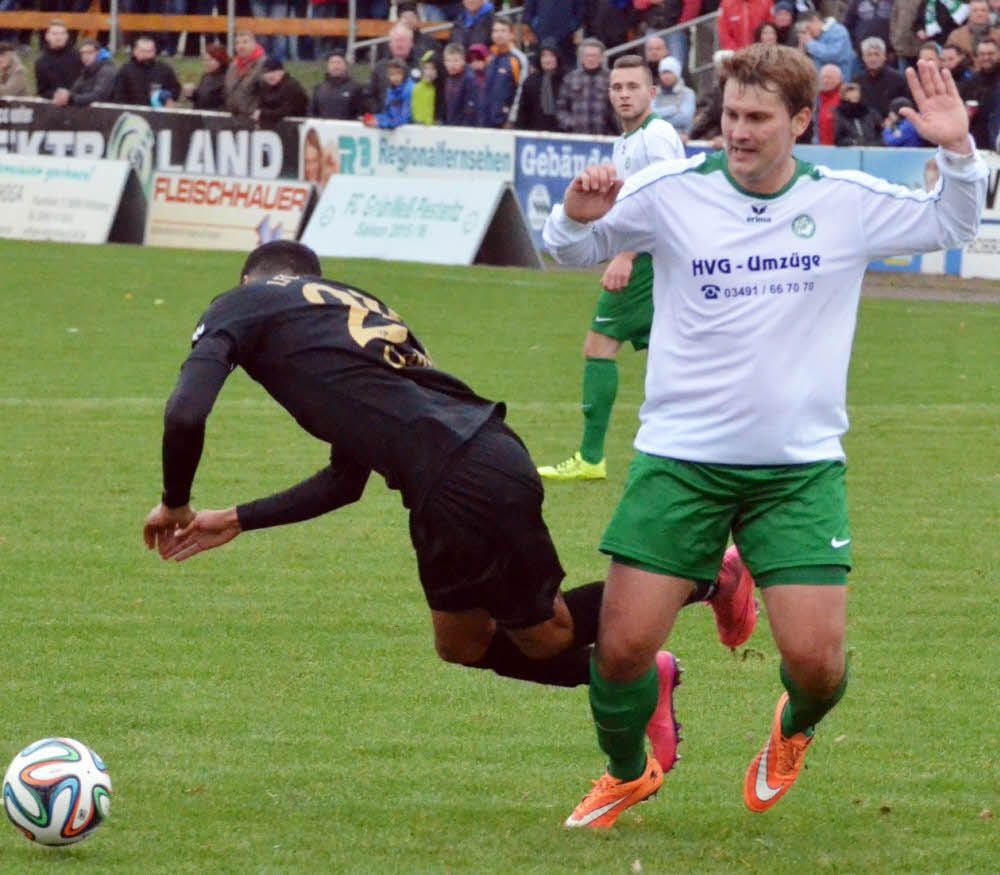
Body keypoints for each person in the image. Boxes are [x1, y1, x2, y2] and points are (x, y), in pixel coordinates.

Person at [543, 44, 986, 830]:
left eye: (757, 118)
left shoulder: (843, 201)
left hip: (798, 471)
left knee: (818, 665)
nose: (740, 133)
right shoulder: (673, 191)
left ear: (800, 120)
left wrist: (956, 150)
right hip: (680, 462)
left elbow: (951, 221)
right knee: (620, 651)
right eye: (731, 116)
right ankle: (627, 769)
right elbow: (570, 248)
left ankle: (794, 725)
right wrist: (575, 213)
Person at [141, 239, 758, 774]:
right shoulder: (348, 311)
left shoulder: (242, 303)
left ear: (250, 280)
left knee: (547, 635)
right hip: (464, 466)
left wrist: (175, 504)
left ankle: (705, 581)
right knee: (461, 642)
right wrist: (237, 519)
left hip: (463, 475)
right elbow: (344, 481)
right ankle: (650, 668)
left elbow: (186, 411)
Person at [537, 55, 686, 483]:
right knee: (672, 358)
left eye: (633, 87)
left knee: (599, 346)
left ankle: (591, 457)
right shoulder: (626, 141)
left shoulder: (656, 137)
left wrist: (626, 256)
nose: (624, 94)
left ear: (652, 92)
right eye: (617, 87)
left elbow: (666, 202)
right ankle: (680, 456)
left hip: (649, 260)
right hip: (659, 261)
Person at [556, 38, 616, 135]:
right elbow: (561, 108)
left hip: (604, 136)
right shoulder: (570, 78)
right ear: (581, 58)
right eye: (587, 55)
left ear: (601, 58)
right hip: (577, 136)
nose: (591, 59)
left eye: (594, 55)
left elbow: (618, 108)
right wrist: (570, 123)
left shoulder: (612, 78)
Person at [478, 17, 525, 128]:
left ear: (511, 34)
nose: (499, 35)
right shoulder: (490, 57)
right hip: (485, 119)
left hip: (505, 121)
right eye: (496, 31)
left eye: (503, 31)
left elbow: (522, 90)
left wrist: (512, 119)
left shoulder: (518, 58)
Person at [112, 35, 181, 107]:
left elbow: (175, 91)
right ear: (135, 51)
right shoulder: (125, 70)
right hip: (132, 110)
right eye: (143, 51)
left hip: (158, 111)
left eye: (150, 51)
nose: (146, 54)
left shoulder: (165, 69)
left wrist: (164, 96)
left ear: (155, 51)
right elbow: (118, 95)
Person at [852, 35, 910, 119]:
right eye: (869, 55)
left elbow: (906, 107)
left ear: (884, 56)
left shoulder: (898, 80)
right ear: (863, 58)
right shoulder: (856, 81)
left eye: (877, 54)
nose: (873, 59)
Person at [517, 38, 564, 131]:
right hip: (535, 131)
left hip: (561, 132)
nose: (548, 60)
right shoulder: (530, 82)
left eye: (551, 56)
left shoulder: (566, 80)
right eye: (544, 56)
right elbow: (523, 111)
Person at [52, 38, 115, 107]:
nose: (85, 56)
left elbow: (99, 96)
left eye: (89, 52)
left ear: (98, 53)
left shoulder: (107, 71)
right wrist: (65, 95)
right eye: (82, 53)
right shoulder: (86, 71)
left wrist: (71, 98)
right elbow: (75, 90)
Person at [310, 50, 370, 119]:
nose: (335, 66)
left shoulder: (356, 88)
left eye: (339, 62)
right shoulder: (319, 89)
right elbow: (312, 112)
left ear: (345, 66)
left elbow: (363, 113)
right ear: (327, 66)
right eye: (332, 63)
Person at [799, 10, 857, 81]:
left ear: (815, 20)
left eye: (808, 27)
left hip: (839, 81)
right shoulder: (813, 38)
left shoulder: (838, 31)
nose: (808, 32)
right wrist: (802, 48)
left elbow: (834, 54)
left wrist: (811, 43)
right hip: (820, 81)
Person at [34, 19, 82, 99]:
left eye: (62, 34)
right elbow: (42, 91)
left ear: (67, 36)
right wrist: (57, 95)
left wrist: (70, 95)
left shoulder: (78, 57)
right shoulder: (41, 62)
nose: (58, 37)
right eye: (54, 34)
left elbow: (86, 83)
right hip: (52, 102)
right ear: (47, 36)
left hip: (77, 100)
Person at [253, 58, 309, 127]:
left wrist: (263, 114)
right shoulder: (265, 87)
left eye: (274, 72)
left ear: (282, 72)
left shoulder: (292, 86)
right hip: (274, 126)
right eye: (266, 73)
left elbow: (287, 111)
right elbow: (260, 107)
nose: (270, 75)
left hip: (296, 125)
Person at [224, 30, 266, 119]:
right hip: (233, 117)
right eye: (237, 43)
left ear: (254, 44)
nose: (241, 46)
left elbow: (269, 93)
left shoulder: (264, 65)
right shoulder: (233, 65)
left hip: (254, 118)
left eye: (245, 42)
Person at [363, 58, 414, 128]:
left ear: (405, 74)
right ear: (388, 76)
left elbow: (404, 118)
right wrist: (374, 118)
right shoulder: (390, 90)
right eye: (392, 74)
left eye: (399, 73)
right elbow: (388, 114)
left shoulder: (410, 90)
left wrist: (380, 123)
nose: (395, 77)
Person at [652, 56, 696, 134]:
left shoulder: (688, 93)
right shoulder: (654, 93)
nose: (666, 76)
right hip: (656, 135)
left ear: (677, 74)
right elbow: (649, 116)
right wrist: (673, 109)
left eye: (669, 72)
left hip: (679, 136)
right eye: (663, 73)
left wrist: (659, 117)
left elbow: (685, 119)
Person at [442, 41, 481, 126]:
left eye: (456, 61)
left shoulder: (469, 79)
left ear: (463, 61)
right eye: (448, 61)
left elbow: (470, 111)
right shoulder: (448, 78)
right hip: (450, 125)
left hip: (464, 128)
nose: (452, 65)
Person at [182, 44, 229, 112]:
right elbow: (200, 99)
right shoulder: (206, 76)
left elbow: (225, 105)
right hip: (200, 115)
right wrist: (191, 94)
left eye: (210, 60)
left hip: (215, 116)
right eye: (205, 60)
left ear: (220, 60)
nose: (206, 63)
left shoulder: (227, 79)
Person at [814, 62, 843, 143]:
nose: (826, 81)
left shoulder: (844, 99)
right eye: (823, 78)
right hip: (815, 146)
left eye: (830, 78)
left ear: (839, 80)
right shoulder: (813, 98)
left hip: (836, 146)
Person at [411, 50, 440, 124]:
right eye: (425, 68)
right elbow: (416, 114)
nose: (428, 72)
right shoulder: (417, 88)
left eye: (432, 68)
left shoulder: (440, 89)